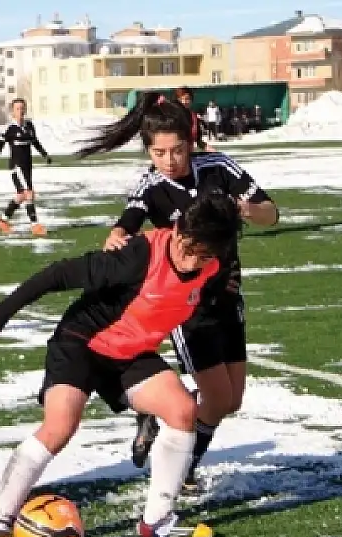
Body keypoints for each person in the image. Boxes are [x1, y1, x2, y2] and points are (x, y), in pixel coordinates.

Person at [0, 188, 241, 537]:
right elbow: (60, 273)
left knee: (182, 411)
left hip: (130, 354)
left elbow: (197, 305)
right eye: (188, 249)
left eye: (205, 255)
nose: (193, 262)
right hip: (82, 344)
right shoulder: (139, 256)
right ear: (177, 231)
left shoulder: (213, 267)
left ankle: (157, 521)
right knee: (60, 426)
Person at [84, 91, 279, 494]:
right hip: (187, 309)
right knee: (216, 396)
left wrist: (237, 208)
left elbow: (271, 213)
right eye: (158, 153)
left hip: (228, 297)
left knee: (230, 401)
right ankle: (182, 468)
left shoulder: (219, 168)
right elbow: (126, 224)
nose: (168, 161)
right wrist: (117, 237)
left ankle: (159, 415)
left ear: (190, 143)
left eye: (176, 151)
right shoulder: (152, 186)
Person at [0, 98, 52, 237]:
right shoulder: (8, 128)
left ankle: (2, 220)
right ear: (12, 111)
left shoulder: (29, 125)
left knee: (21, 196)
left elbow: (35, 142)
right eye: (17, 108)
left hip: (27, 166)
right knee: (29, 194)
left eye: (22, 108)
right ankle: (35, 225)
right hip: (16, 167)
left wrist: (44, 155)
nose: (21, 111)